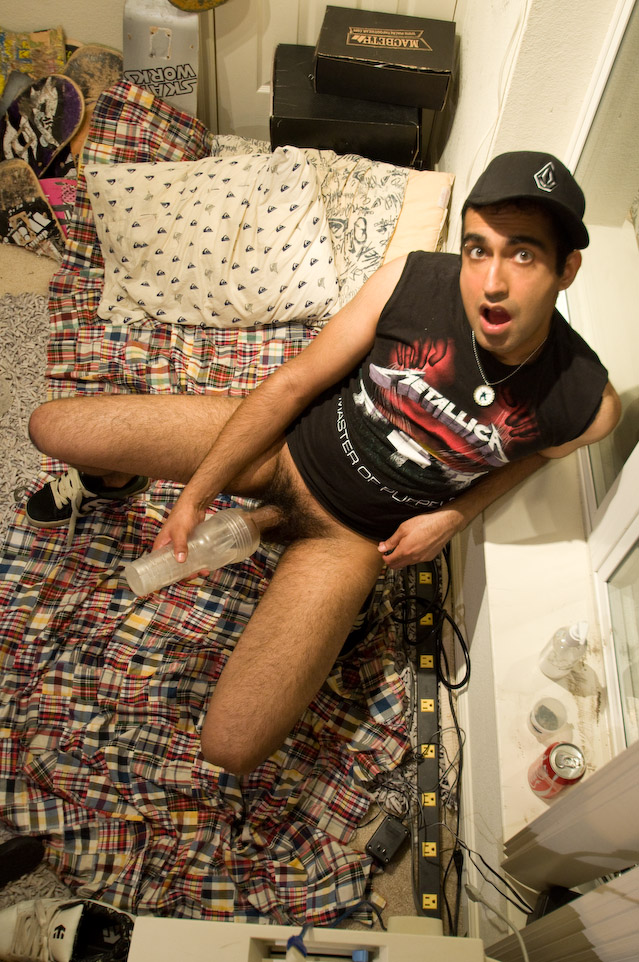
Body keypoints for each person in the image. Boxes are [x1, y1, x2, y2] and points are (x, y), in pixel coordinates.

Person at [26, 151, 620, 775]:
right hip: (286, 449)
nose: (492, 282)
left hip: (351, 539)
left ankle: (335, 596)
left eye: (523, 254)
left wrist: (456, 516)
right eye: (478, 249)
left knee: (231, 746)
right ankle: (116, 480)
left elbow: (536, 456)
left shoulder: (585, 401)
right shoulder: (412, 280)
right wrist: (195, 496)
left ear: (567, 268)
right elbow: (293, 383)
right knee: (51, 428)